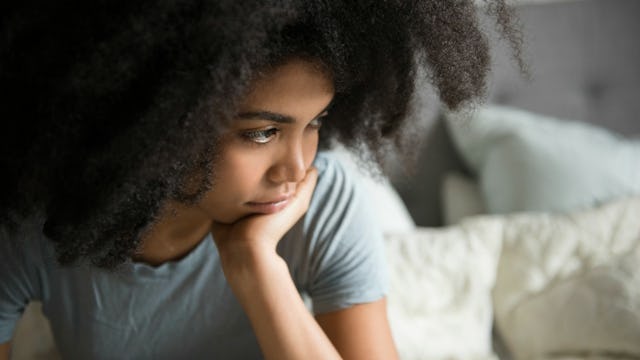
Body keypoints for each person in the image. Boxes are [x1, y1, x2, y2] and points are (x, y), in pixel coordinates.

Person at [0, 1, 522, 359]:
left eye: (314, 124)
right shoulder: (36, 225)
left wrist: (255, 268)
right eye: (261, 133)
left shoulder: (326, 198)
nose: (296, 168)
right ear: (159, 121)